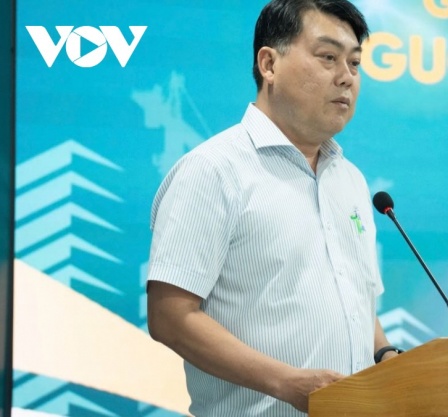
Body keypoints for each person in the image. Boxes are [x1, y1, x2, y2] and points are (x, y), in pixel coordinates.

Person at [146, 1, 399, 416]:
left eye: (355, 63)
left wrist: (386, 354)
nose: (346, 77)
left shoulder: (351, 180)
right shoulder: (214, 170)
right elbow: (169, 317)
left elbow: (355, 298)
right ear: (269, 64)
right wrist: (287, 383)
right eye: (328, 57)